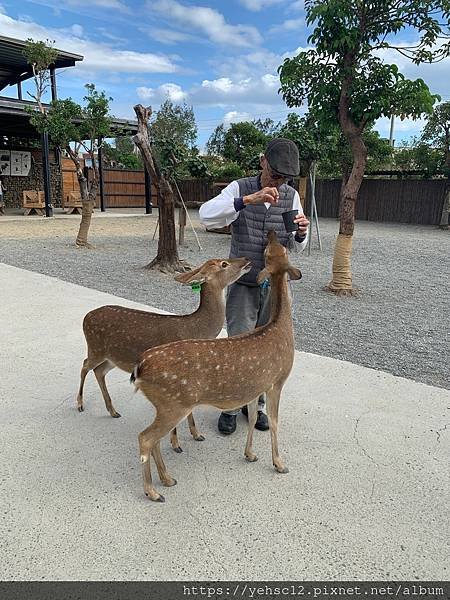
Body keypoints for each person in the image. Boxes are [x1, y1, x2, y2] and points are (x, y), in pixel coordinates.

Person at [199, 138, 310, 434]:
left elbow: (296, 247)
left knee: (266, 350)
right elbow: (206, 217)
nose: (279, 181)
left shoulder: (290, 196)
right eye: (275, 174)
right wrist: (248, 200)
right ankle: (231, 408)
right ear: (262, 162)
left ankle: (256, 406)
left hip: (276, 289)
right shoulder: (240, 188)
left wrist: (300, 234)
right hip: (244, 284)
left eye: (285, 177)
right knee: (238, 346)